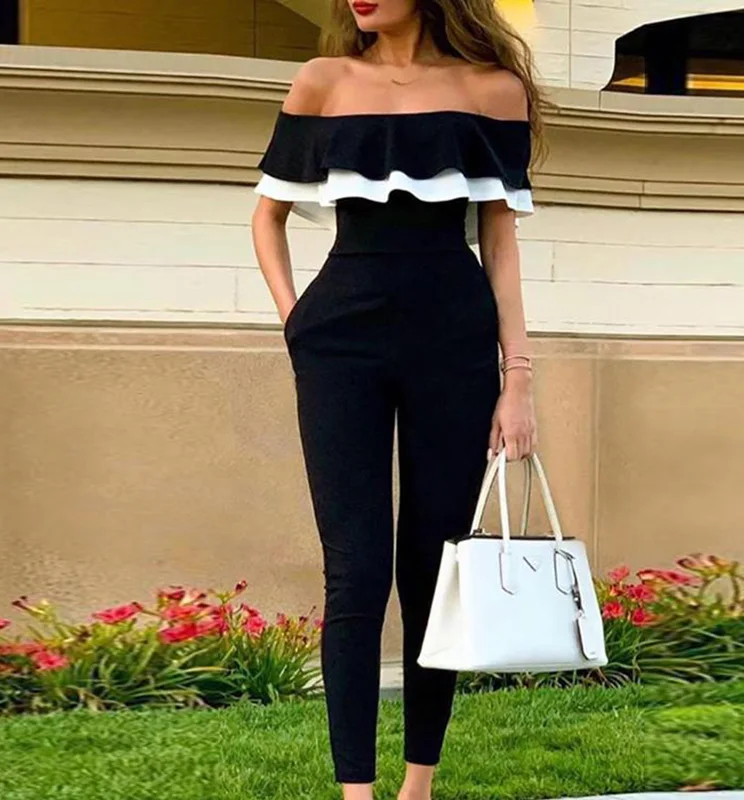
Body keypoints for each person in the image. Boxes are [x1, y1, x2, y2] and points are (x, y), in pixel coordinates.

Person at [251, 1, 542, 798]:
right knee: (355, 570)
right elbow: (267, 217)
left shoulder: (492, 89)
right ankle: (356, 793)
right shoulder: (323, 82)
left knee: (432, 568)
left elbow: (501, 240)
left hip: (455, 342)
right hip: (340, 339)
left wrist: (518, 376)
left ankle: (418, 786)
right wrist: (296, 322)